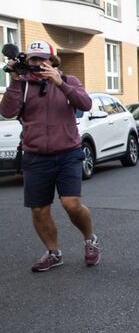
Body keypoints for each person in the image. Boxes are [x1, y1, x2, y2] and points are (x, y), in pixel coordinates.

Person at [0, 41, 99, 272]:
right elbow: (7, 111)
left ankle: (90, 240)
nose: (38, 63)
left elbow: (85, 104)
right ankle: (54, 253)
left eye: (43, 59)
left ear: (53, 61)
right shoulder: (23, 84)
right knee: (39, 210)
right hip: (35, 155)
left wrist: (60, 83)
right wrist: (15, 80)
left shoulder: (69, 80)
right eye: (33, 59)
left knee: (71, 204)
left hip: (68, 153)